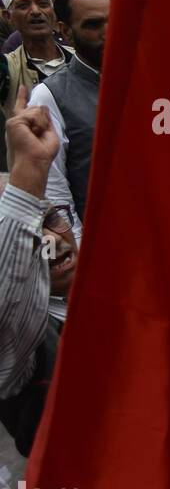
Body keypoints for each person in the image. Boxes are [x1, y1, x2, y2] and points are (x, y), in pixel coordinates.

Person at [0, 90, 81, 456]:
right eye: (29, 236)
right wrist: (29, 170)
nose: (51, 241)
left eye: (49, 219)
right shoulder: (25, 342)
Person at [29, 0, 109, 224]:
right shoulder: (49, 95)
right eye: (94, 25)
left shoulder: (152, 81)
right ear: (66, 31)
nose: (109, 32)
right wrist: (77, 254)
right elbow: (54, 194)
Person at [0, 0, 71, 141]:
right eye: (23, 6)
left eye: (43, 4)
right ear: (7, 16)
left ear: (53, 12)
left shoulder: (79, 58)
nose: (35, 11)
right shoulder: (6, 68)